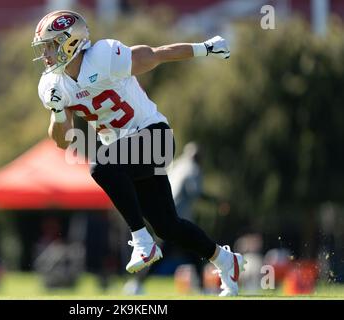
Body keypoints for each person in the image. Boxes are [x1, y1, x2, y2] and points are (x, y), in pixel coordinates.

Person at [32, 10, 246, 296]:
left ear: (70, 42)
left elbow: (155, 54)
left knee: (101, 167)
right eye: (44, 46)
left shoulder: (104, 56)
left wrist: (204, 48)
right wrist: (58, 113)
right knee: (169, 227)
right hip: (127, 154)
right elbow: (61, 140)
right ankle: (225, 259)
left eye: (50, 45)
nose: (45, 53)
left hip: (154, 136)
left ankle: (141, 240)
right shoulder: (53, 85)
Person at [122, 142, 230, 294]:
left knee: (192, 253)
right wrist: (216, 202)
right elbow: (194, 192)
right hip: (175, 222)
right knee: (164, 255)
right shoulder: (192, 169)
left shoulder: (178, 165)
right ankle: (136, 284)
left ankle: (202, 288)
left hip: (166, 216)